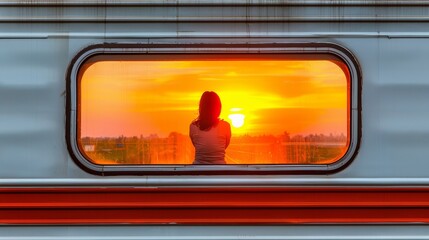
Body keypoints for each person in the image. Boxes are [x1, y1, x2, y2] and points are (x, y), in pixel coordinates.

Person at [189, 91, 231, 164]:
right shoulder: (225, 126)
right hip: (220, 170)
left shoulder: (193, 127)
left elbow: (197, 146)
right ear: (218, 108)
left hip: (198, 170)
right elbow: (224, 146)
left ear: (201, 107)